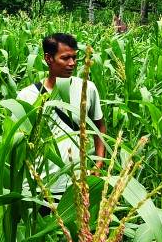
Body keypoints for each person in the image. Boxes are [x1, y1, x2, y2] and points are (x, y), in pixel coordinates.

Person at [17, 33, 107, 197]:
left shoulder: (87, 88)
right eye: (65, 58)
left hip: (78, 184)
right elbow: (17, 143)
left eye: (74, 58)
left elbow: (99, 126)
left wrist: (99, 162)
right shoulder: (27, 96)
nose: (72, 63)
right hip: (39, 187)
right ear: (48, 58)